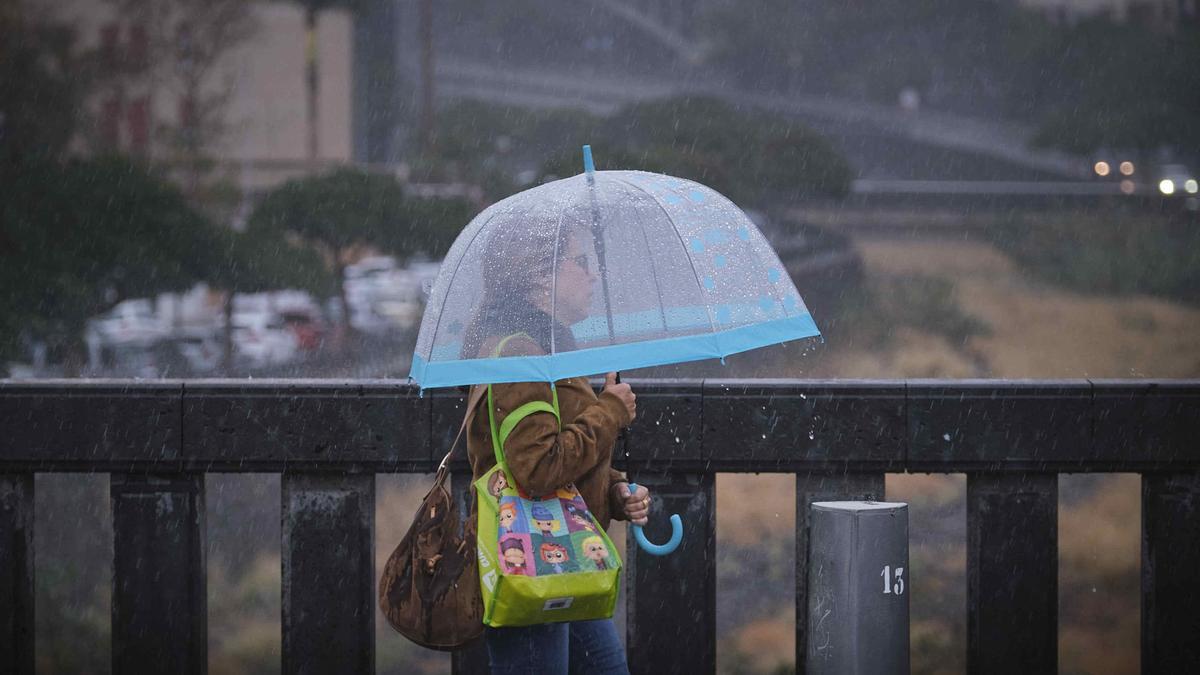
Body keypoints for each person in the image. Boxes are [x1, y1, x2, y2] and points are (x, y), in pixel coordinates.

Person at [464, 223, 649, 675]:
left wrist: (614, 492)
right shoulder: (520, 354)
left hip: (567, 556)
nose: (593, 276)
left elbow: (554, 460)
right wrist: (610, 411)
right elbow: (539, 469)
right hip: (530, 564)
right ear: (538, 274)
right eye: (581, 262)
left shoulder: (551, 347)